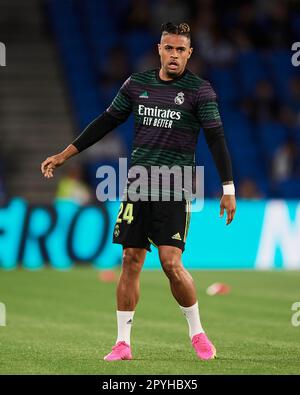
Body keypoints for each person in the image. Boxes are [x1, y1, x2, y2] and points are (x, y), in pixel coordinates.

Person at [41, 22, 236, 361]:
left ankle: (197, 333)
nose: (174, 55)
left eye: (180, 50)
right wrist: (64, 154)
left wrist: (228, 187)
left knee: (170, 262)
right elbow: (105, 122)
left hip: (175, 186)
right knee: (130, 260)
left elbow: (216, 138)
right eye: (168, 48)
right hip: (137, 186)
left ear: (190, 53)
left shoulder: (200, 91)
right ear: (159, 49)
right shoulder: (137, 84)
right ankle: (122, 343)